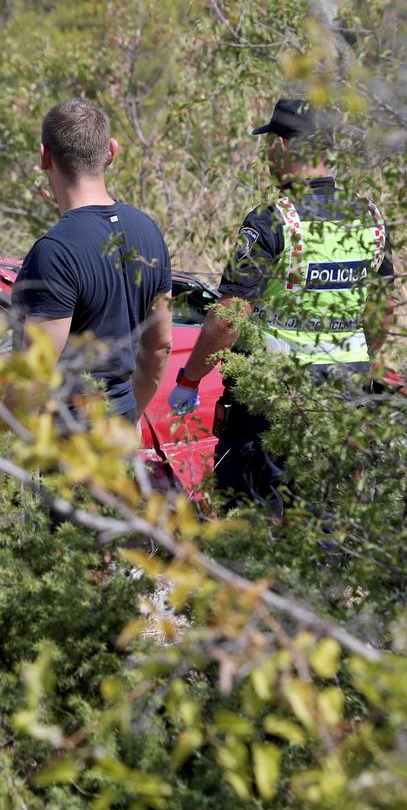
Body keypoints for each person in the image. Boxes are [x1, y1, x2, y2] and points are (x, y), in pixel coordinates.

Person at [168, 98, 394, 506]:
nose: (267, 155)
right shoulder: (369, 216)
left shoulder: (273, 221)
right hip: (344, 396)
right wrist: (363, 369)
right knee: (330, 513)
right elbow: (382, 311)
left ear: (285, 146)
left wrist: (189, 379)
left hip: (273, 403)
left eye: (269, 143)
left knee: (257, 522)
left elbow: (228, 319)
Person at [12, 99, 173, 427]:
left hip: (67, 443)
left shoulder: (54, 253)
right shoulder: (148, 231)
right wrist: (130, 416)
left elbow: (35, 378)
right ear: (112, 151)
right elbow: (160, 346)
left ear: (45, 156)